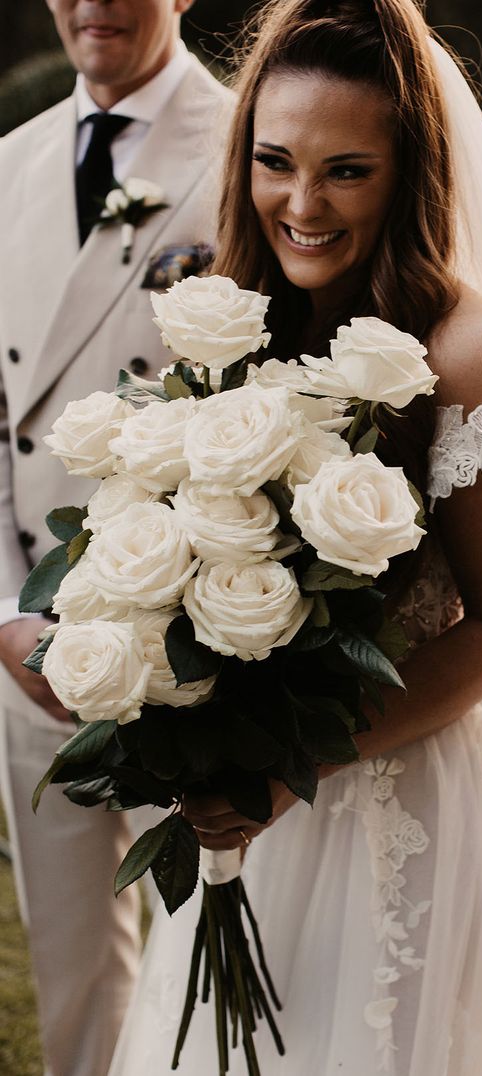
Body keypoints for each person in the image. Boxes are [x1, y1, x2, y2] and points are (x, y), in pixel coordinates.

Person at [109, 1, 482, 1073]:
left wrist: (293, 758)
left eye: (347, 170)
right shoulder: (248, 313)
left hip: (412, 809)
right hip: (267, 801)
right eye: (275, 161)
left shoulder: (466, 354)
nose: (301, 202)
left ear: (410, 175)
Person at [0, 3, 233, 1074]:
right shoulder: (10, 161)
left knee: (217, 940)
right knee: (75, 962)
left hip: (205, 645)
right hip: (31, 641)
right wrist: (8, 613)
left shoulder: (248, 147)